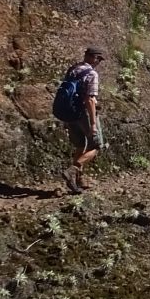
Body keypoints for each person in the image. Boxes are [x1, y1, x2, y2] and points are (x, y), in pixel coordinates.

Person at [62, 47, 106, 194]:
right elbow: (90, 100)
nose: (99, 62)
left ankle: (76, 182)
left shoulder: (72, 70)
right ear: (92, 57)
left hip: (70, 113)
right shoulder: (92, 74)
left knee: (80, 145)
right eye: (98, 59)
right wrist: (93, 123)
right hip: (84, 114)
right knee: (96, 146)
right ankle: (73, 170)